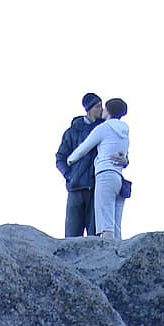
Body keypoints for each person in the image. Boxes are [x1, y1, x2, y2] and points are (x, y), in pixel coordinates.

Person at [67, 97, 130, 240]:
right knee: (116, 225)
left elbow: (84, 147)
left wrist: (70, 161)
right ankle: (118, 254)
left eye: (104, 107)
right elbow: (123, 155)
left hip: (104, 175)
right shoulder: (125, 131)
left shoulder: (104, 128)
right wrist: (125, 161)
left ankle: (108, 256)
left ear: (109, 111)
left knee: (105, 224)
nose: (102, 110)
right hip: (118, 177)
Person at [55, 92, 104, 238]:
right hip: (76, 187)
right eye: (98, 106)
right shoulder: (72, 132)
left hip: (96, 188)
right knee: (71, 236)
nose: (101, 110)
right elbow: (60, 157)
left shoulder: (104, 130)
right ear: (89, 109)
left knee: (94, 237)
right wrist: (69, 175)